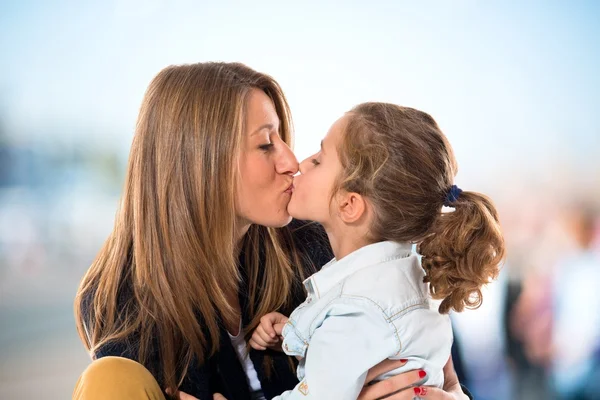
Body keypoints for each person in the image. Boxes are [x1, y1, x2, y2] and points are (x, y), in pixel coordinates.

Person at [73, 62, 472, 400]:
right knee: (107, 379)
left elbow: (445, 373)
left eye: (282, 138)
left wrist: (447, 394)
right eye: (266, 144)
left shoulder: (322, 246)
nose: (291, 160)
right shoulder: (123, 305)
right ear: (201, 163)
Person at [250, 102, 505, 399]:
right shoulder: (404, 282)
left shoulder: (358, 309)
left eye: (319, 160)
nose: (299, 164)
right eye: (265, 145)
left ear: (350, 205)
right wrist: (297, 331)